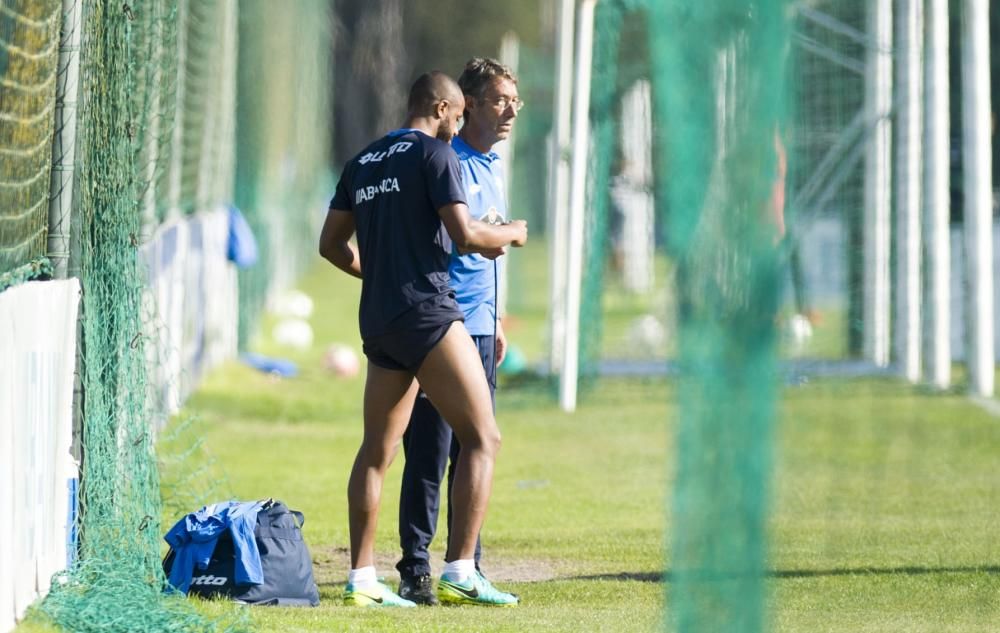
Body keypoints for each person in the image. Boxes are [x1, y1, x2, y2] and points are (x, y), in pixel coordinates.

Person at [319, 70, 526, 608]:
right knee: (484, 438)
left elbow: (331, 246)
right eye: (456, 116)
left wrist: (382, 273)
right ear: (440, 107)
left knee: (376, 450)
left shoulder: (361, 161)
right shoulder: (436, 156)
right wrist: (511, 234)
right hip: (430, 315)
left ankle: (361, 579)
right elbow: (466, 236)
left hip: (381, 319)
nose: (456, 128)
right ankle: (461, 570)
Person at [395, 58, 523, 606]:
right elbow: (462, 240)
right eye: (500, 100)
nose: (511, 110)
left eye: (516, 101)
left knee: (474, 449)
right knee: (428, 452)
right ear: (467, 104)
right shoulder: (446, 160)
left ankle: (466, 562)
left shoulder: (492, 165)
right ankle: (415, 568)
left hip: (478, 328)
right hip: (442, 327)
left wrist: (495, 317)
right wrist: (510, 233)